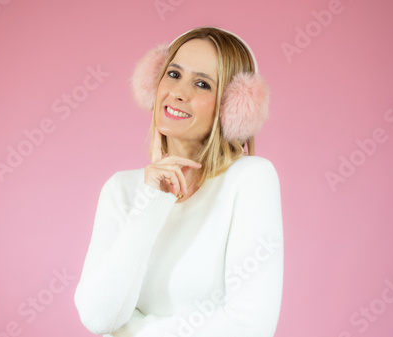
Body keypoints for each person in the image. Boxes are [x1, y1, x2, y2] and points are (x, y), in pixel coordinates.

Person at [74, 26, 284, 337]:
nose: (179, 92)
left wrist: (128, 332)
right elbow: (99, 317)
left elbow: (249, 327)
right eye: (173, 74)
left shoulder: (250, 179)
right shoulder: (122, 189)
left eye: (202, 84)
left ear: (231, 107)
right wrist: (150, 204)